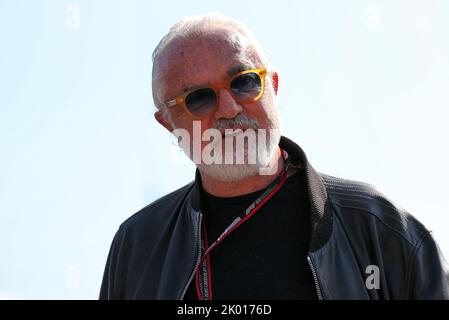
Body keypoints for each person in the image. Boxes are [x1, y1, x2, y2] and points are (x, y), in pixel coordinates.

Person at [99, 13, 449, 300]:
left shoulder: (379, 226)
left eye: (244, 82)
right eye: (199, 98)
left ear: (274, 87)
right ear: (168, 123)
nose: (230, 107)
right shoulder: (138, 245)